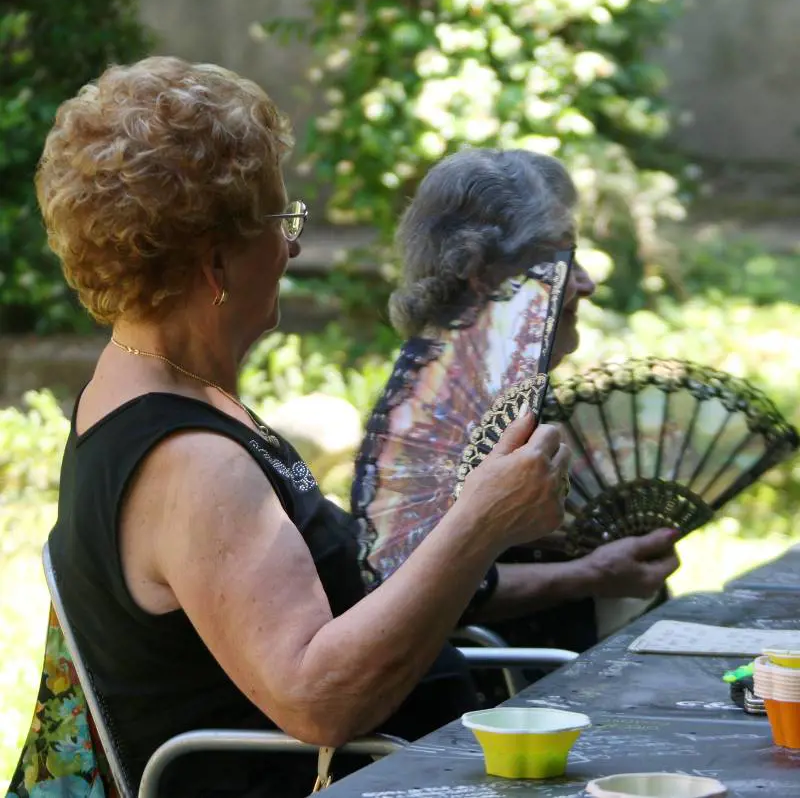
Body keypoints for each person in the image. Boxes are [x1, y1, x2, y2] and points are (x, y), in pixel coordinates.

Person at [37, 57, 572, 798]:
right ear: (216, 262)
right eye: (281, 222)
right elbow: (320, 702)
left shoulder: (142, 390)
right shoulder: (190, 463)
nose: (290, 248)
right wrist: (481, 520)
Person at [352, 149, 680, 662]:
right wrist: (591, 574)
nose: (587, 283)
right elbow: (406, 580)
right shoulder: (437, 407)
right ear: (483, 275)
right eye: (561, 262)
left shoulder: (507, 383)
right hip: (510, 683)